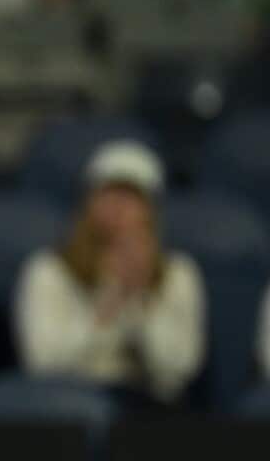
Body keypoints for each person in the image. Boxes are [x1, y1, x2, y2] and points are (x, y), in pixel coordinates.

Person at [14, 139, 206, 409]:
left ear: (150, 210)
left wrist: (139, 297)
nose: (118, 208)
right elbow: (44, 363)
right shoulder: (48, 270)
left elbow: (180, 366)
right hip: (70, 401)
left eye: (131, 198)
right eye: (108, 195)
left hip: (151, 406)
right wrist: (110, 302)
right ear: (88, 203)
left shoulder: (180, 273)